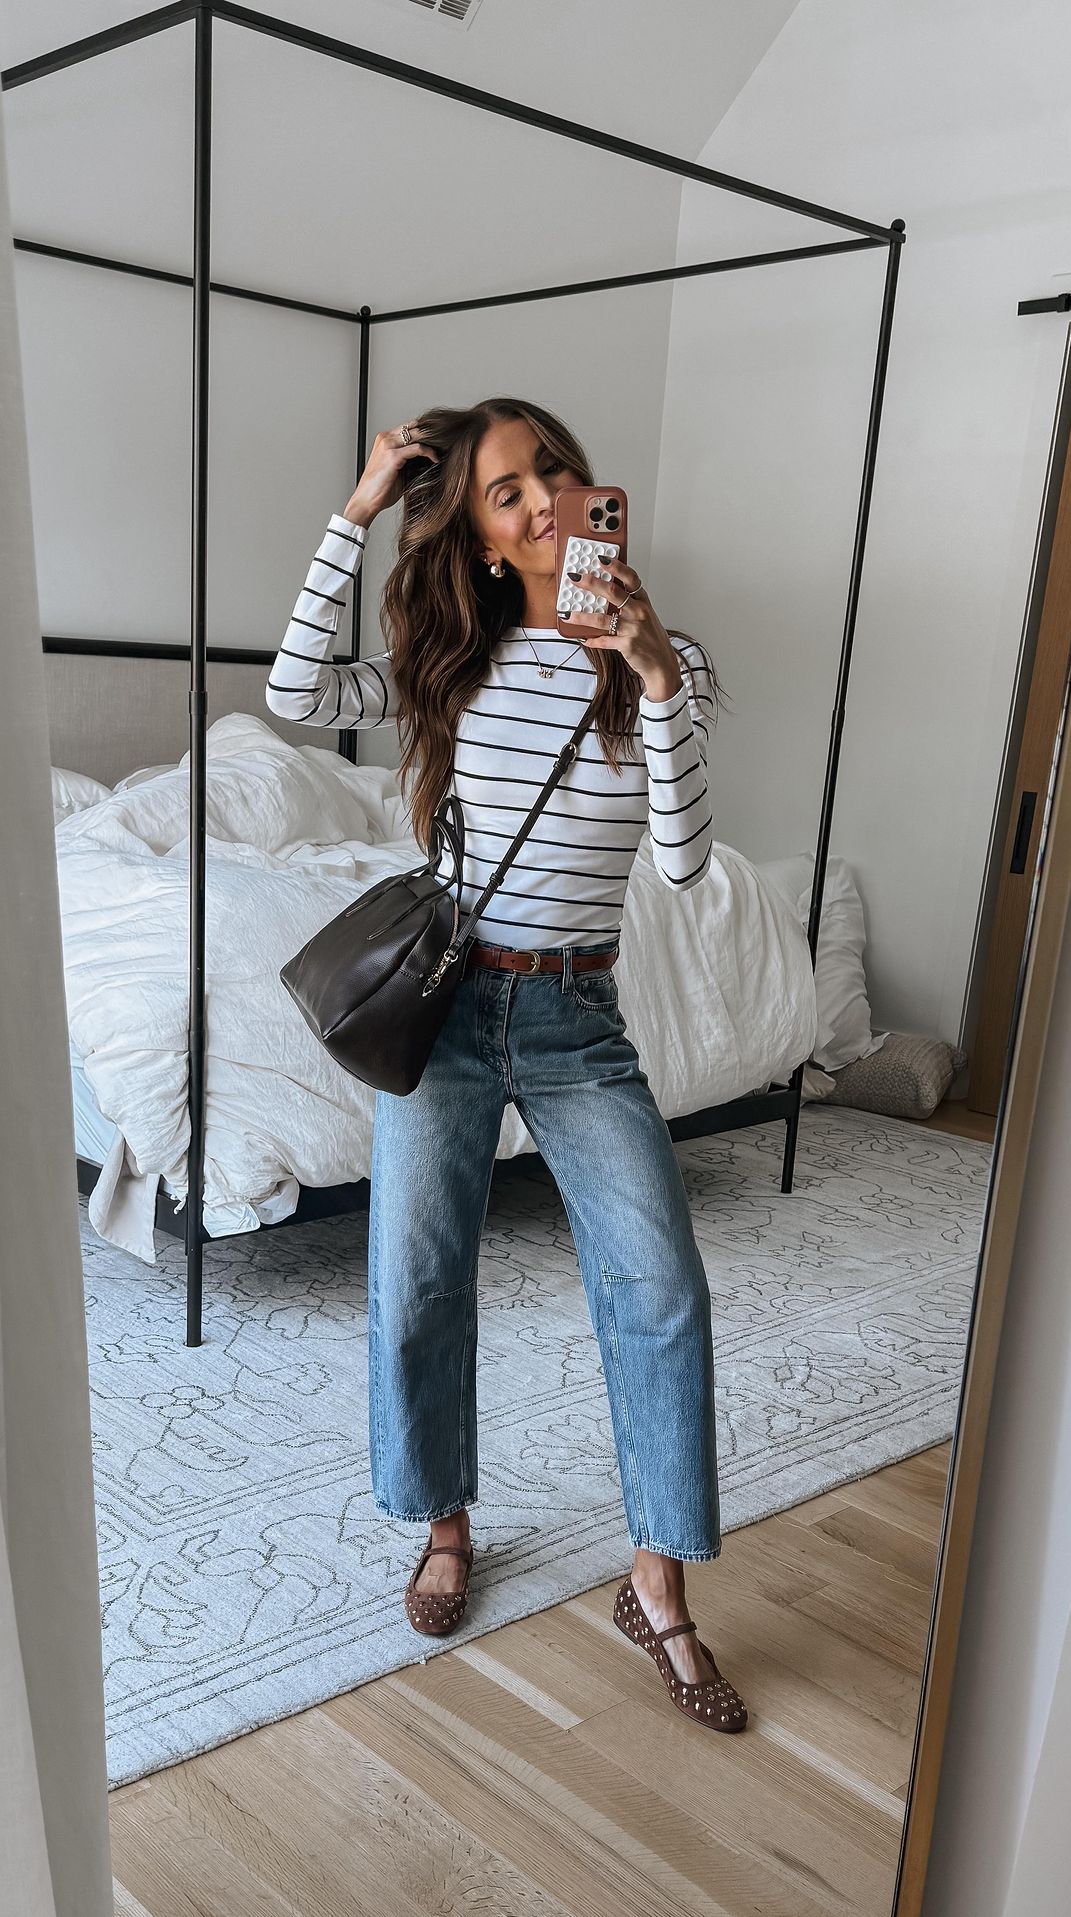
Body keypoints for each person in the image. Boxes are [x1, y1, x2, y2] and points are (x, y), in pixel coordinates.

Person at [266, 397, 748, 1732]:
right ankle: (445, 1521)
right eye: (506, 491)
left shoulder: (666, 661)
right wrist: (361, 507)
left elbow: (686, 863)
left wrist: (656, 675)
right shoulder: (455, 660)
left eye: (552, 474)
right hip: (451, 1003)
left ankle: (655, 1583)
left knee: (661, 1283)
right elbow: (295, 693)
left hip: (578, 1015)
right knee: (419, 1278)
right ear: (478, 536)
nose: (541, 503)